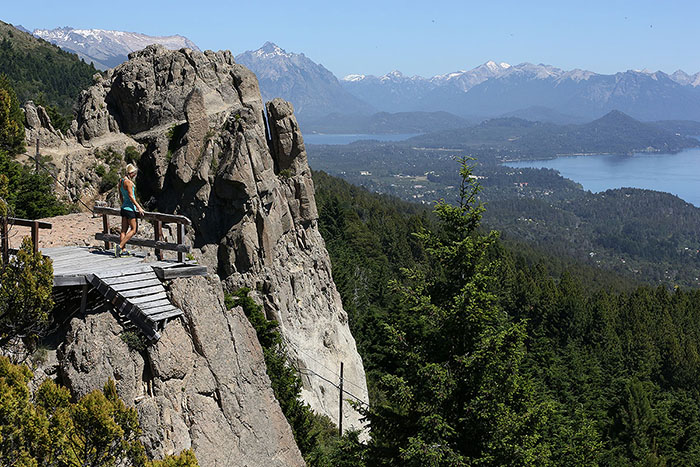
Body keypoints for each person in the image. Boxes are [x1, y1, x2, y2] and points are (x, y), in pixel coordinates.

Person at [117, 163, 145, 257]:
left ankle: (123, 251)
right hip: (130, 209)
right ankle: (120, 246)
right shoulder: (128, 183)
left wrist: (123, 204)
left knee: (123, 230)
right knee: (134, 229)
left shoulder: (121, 181)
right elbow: (131, 196)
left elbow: (120, 195)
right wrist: (139, 207)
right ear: (131, 173)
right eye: (134, 173)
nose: (135, 175)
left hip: (124, 208)